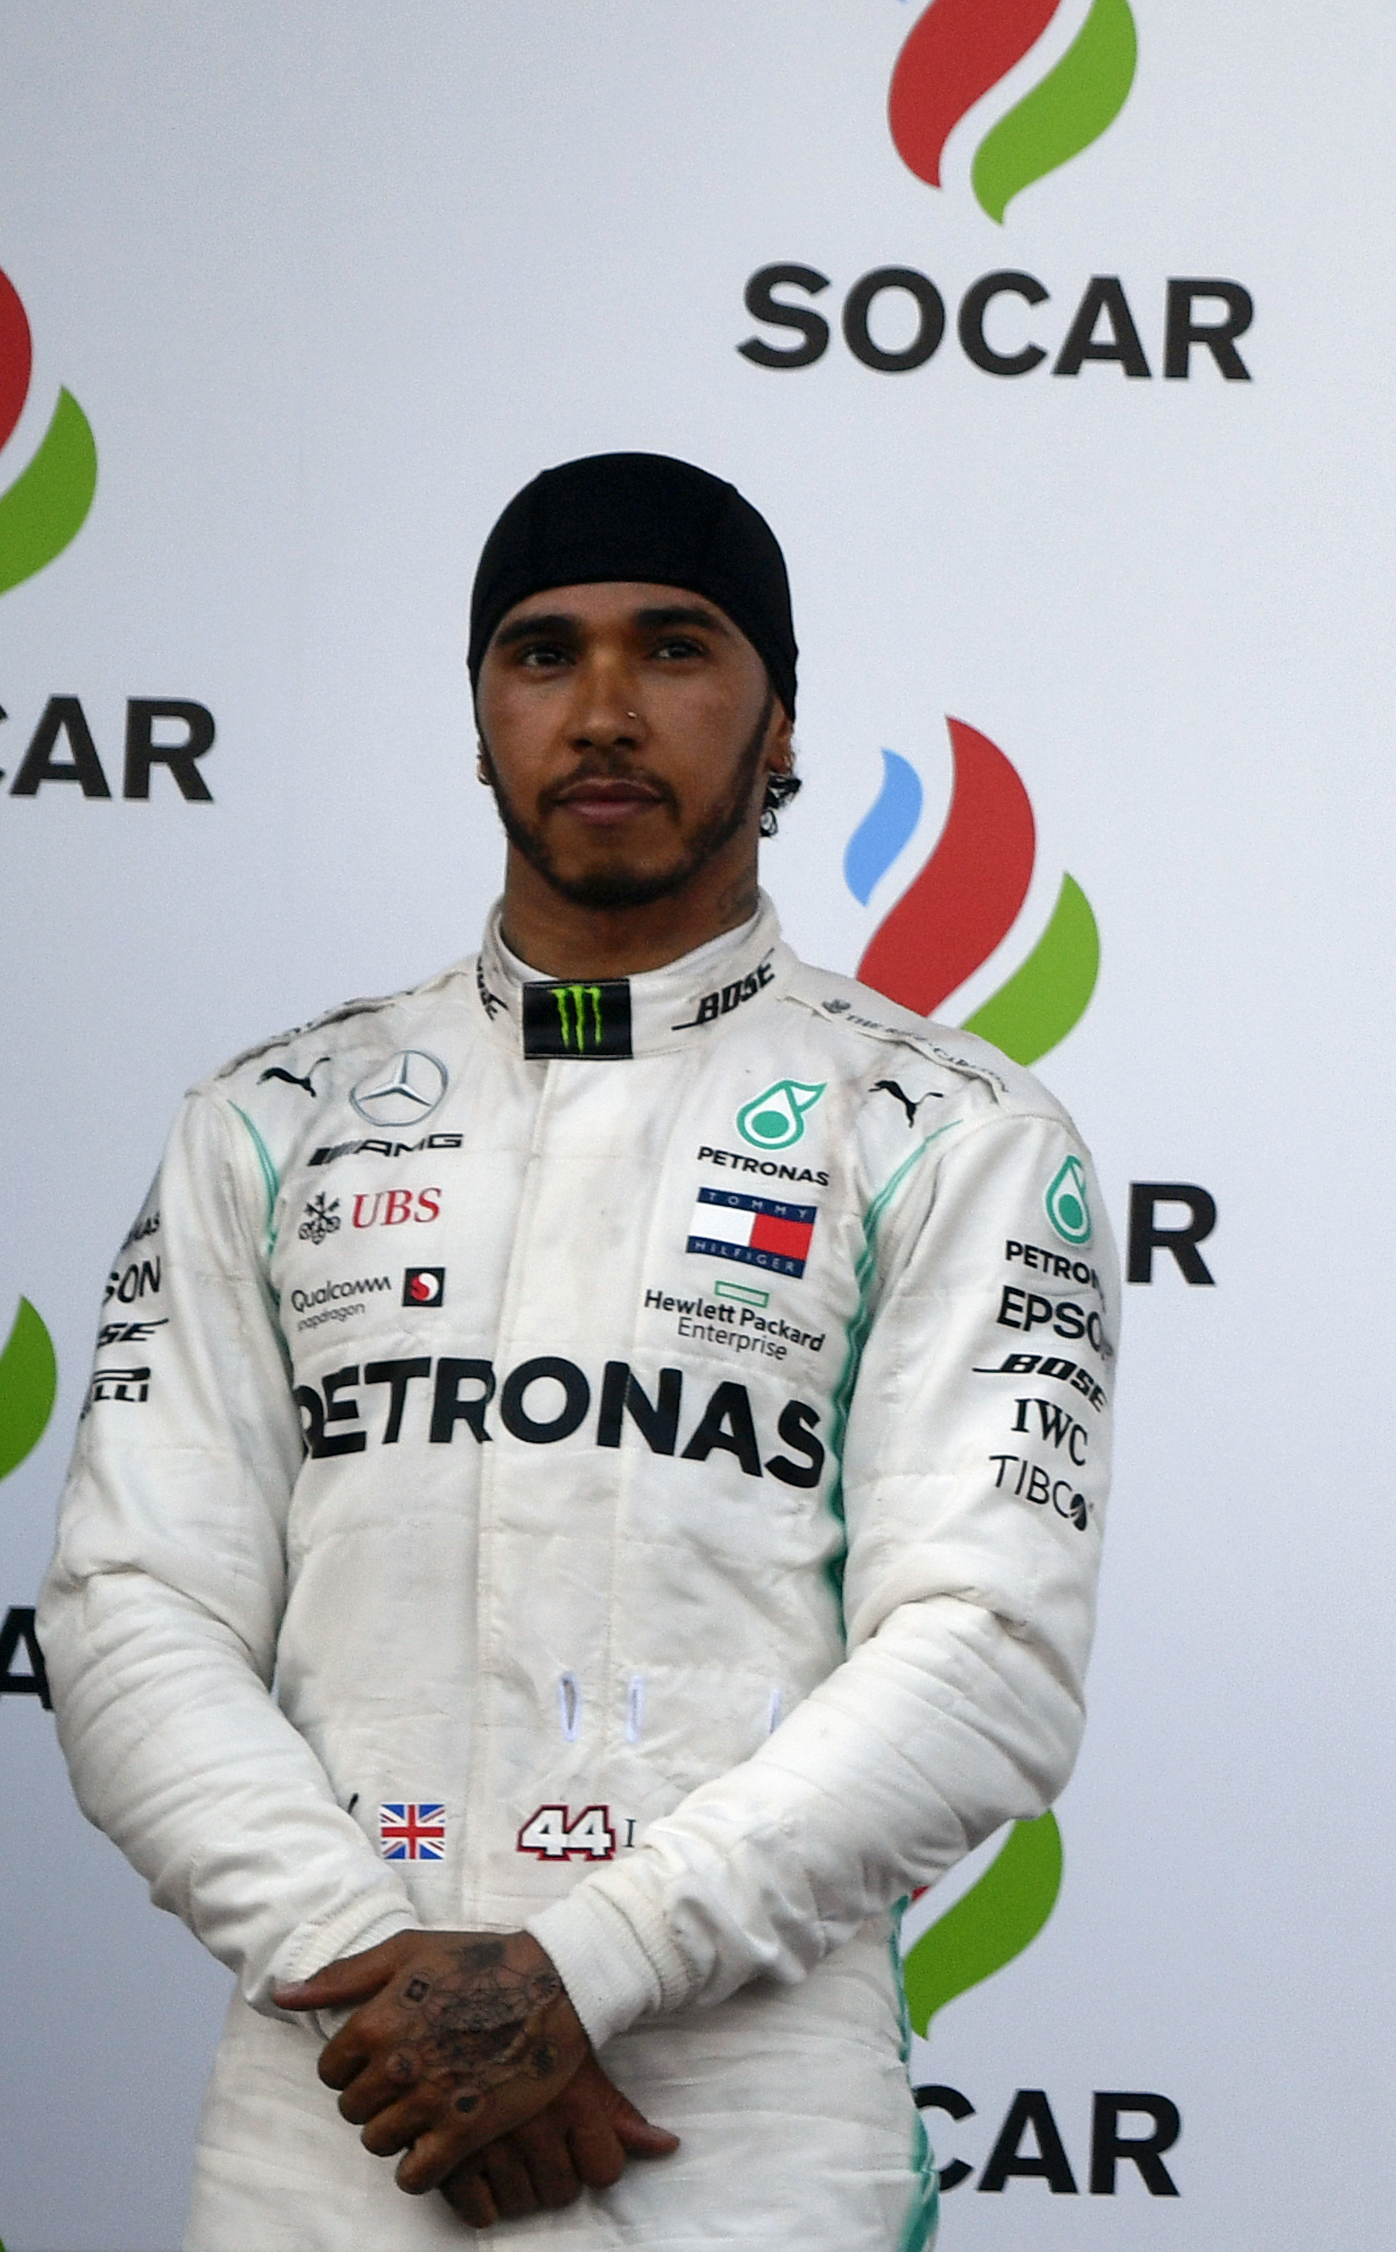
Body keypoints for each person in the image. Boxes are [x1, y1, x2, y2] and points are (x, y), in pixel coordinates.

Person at [42, 452, 1113, 2247]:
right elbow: (129, 1610)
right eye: (542, 655)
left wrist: (583, 1968)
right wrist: (371, 1968)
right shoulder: (270, 1122)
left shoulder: (954, 1130)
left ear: (781, 729)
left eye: (675, 650)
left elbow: (987, 1655)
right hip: (338, 2093)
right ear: (479, 723)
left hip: (738, 2113)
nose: (605, 710)